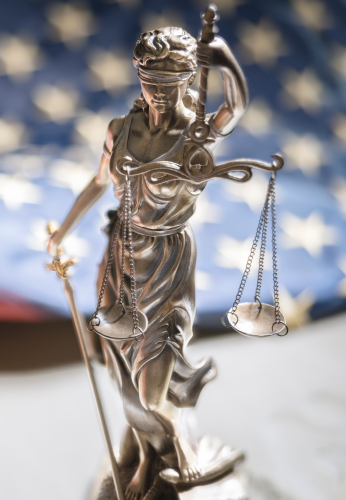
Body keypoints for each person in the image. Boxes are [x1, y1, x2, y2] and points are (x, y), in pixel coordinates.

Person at [47, 26, 249, 499]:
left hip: (167, 263)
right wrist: (62, 230)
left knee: (152, 385)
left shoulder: (197, 131)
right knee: (120, 372)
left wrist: (224, 60)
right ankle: (142, 461)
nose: (157, 93)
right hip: (121, 258)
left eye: (168, 83)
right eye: (149, 82)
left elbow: (236, 108)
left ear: (187, 81)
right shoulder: (121, 129)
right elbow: (99, 184)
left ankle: (180, 447)